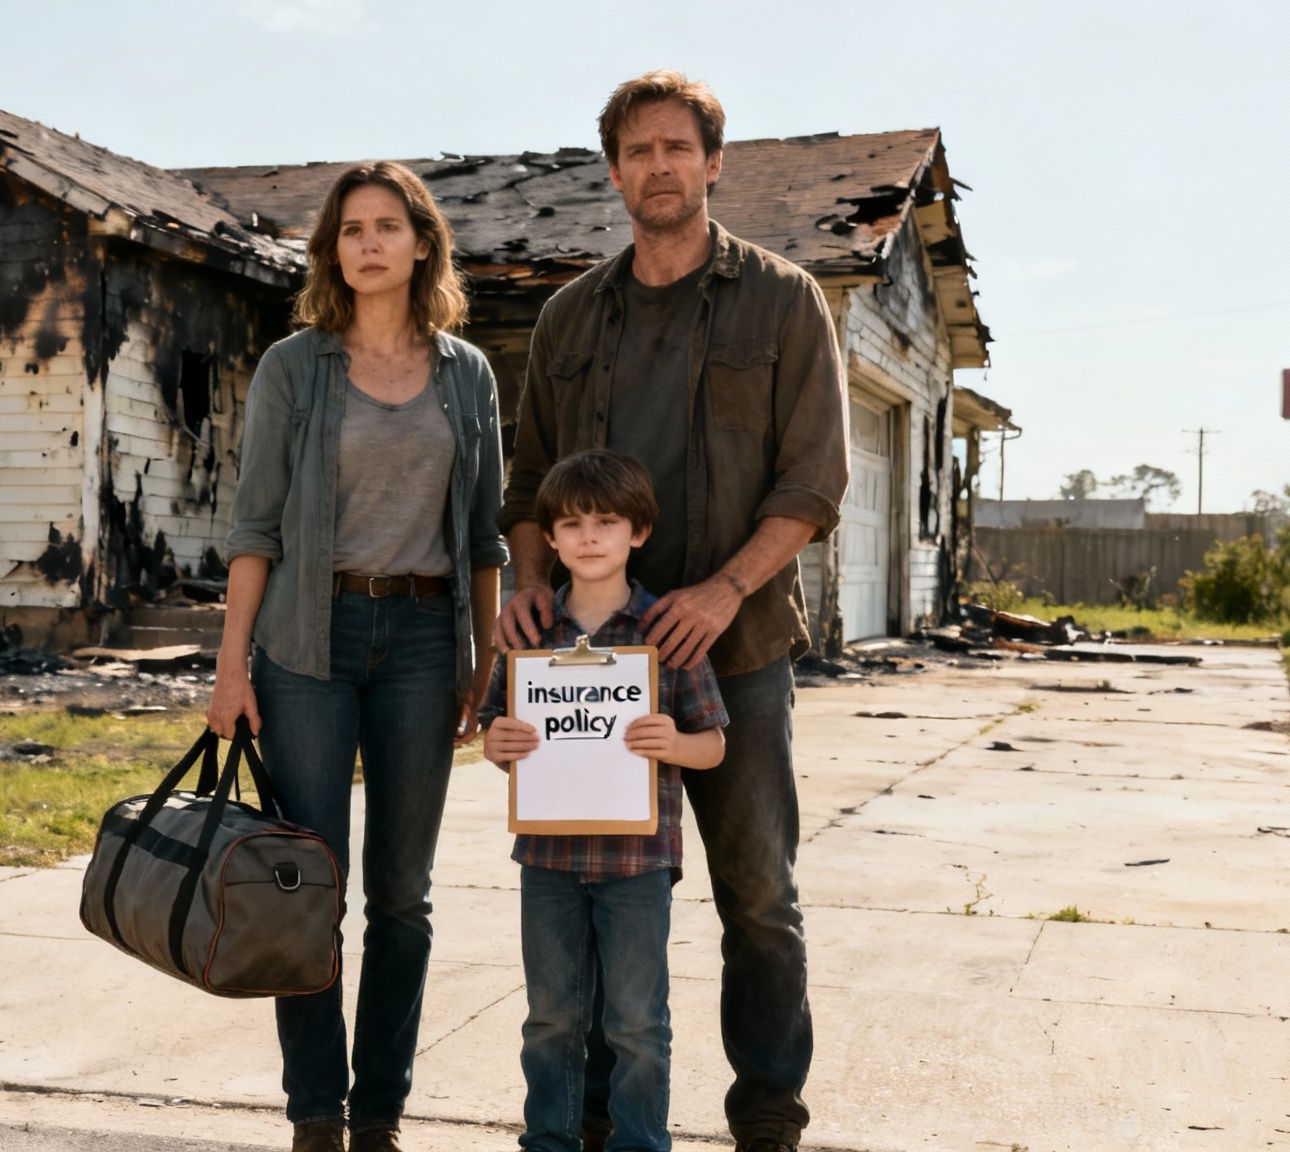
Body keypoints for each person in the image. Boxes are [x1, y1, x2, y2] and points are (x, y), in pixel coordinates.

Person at [496, 71, 850, 1152]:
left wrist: (724, 588)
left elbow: (813, 481)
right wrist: (525, 584)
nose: (659, 166)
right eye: (639, 150)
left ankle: (767, 1118)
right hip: (591, 666)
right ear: (614, 172)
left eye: (677, 147)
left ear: (713, 162)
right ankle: (599, 1123)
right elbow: (528, 484)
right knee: (596, 896)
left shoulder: (783, 300)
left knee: (759, 897)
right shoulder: (568, 317)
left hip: (731, 653)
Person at [210, 161, 507, 1152]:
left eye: (387, 226)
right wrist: (231, 666)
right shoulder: (294, 368)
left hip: (424, 640)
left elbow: (483, 537)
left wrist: (482, 657)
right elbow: (254, 527)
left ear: (423, 244)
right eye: (350, 229)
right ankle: (315, 1114)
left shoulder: (467, 375)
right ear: (331, 251)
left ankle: (378, 1114)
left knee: (402, 898)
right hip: (308, 639)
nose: (368, 243)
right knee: (305, 883)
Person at [481, 449, 729, 1152]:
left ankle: (640, 1142)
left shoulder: (665, 634)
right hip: (546, 860)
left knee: (637, 1023)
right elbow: (499, 735)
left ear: (638, 532)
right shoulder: (530, 637)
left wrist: (673, 743)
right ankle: (549, 1140)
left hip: (637, 864)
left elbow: (714, 745)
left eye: (607, 522)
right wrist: (499, 745)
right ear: (550, 538)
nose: (589, 536)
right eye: (572, 523)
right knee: (550, 1019)